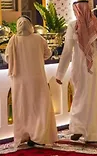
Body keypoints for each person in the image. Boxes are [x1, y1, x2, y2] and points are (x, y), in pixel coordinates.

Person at [56, 0, 97, 143]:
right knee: (86, 96)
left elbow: (67, 51)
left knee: (87, 96)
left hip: (84, 65)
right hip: (89, 65)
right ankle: (83, 130)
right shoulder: (94, 25)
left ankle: (86, 132)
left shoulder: (76, 26)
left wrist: (60, 74)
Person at [5, 16, 58, 147]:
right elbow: (48, 54)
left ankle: (24, 135)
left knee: (23, 107)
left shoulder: (14, 40)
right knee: (39, 106)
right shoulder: (38, 38)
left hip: (20, 81)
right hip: (37, 78)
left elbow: (7, 58)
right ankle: (39, 136)